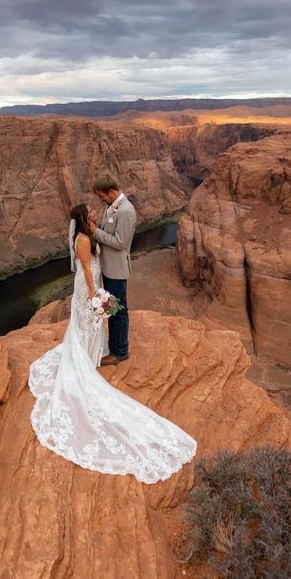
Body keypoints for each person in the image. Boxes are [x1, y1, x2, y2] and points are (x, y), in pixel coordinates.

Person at [28, 202, 197, 484]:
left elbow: (106, 244)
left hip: (95, 283)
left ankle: (92, 353)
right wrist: (95, 293)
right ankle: (85, 355)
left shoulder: (89, 233)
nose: (95, 212)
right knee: (87, 321)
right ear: (84, 218)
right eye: (91, 211)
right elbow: (85, 265)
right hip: (88, 285)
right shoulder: (82, 240)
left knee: (92, 324)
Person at [89, 173, 136, 365]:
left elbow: (119, 243)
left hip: (116, 271)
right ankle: (113, 346)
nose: (101, 200)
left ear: (111, 191)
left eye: (102, 196)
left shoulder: (126, 211)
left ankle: (120, 352)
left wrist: (95, 232)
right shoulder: (112, 206)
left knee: (119, 312)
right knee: (110, 309)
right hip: (108, 269)